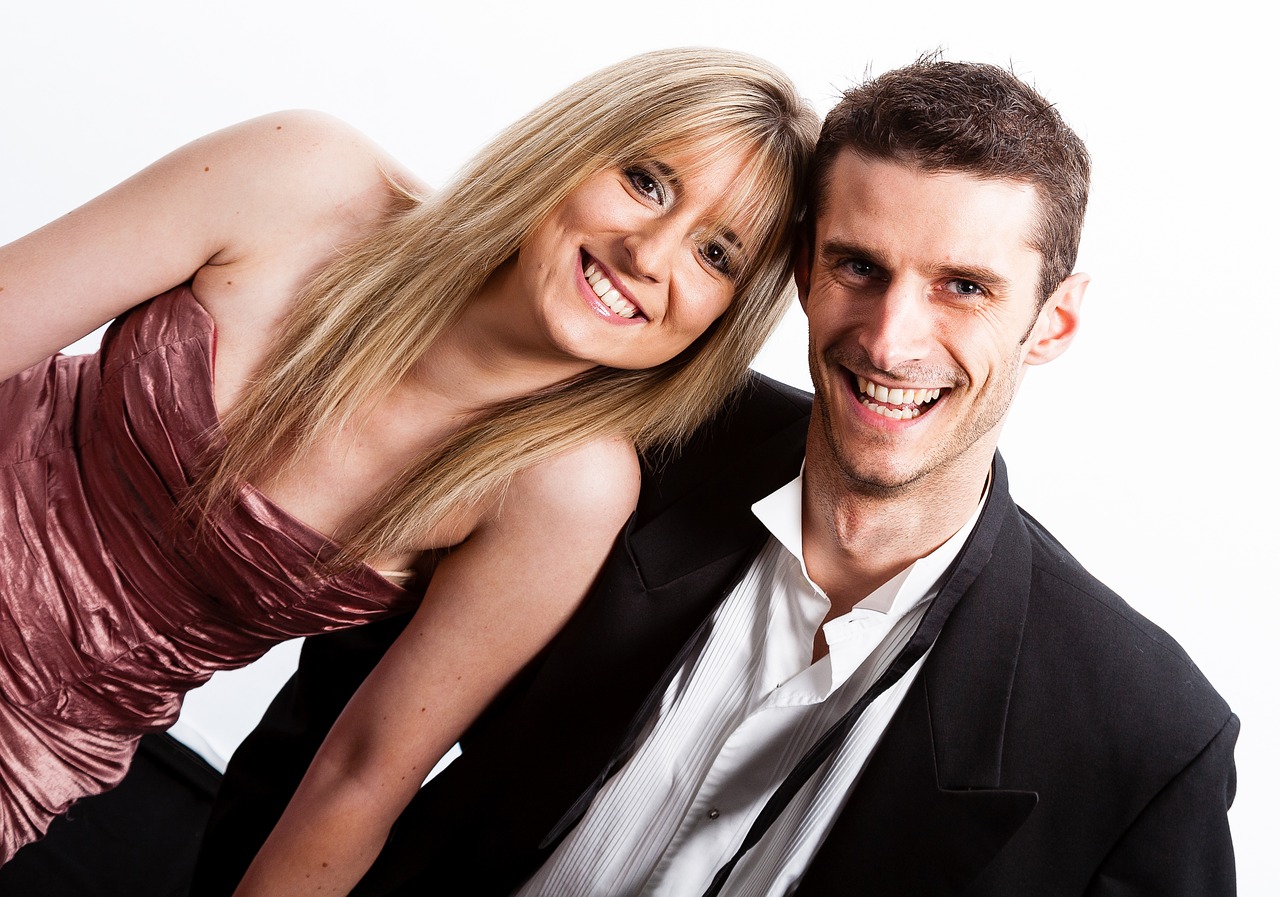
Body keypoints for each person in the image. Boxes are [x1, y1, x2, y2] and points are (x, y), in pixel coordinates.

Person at [197, 57, 1238, 896]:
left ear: (1049, 321)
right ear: (800, 270)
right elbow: (326, 752)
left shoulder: (1145, 735)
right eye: (856, 267)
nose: (889, 338)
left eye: (962, 287)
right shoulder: (627, 440)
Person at [0, 45, 818, 885]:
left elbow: (357, 780)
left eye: (717, 253)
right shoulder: (308, 177)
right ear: (572, 148)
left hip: (27, 742)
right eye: (647, 181)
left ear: (728, 317)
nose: (650, 253)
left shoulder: (562, 489)